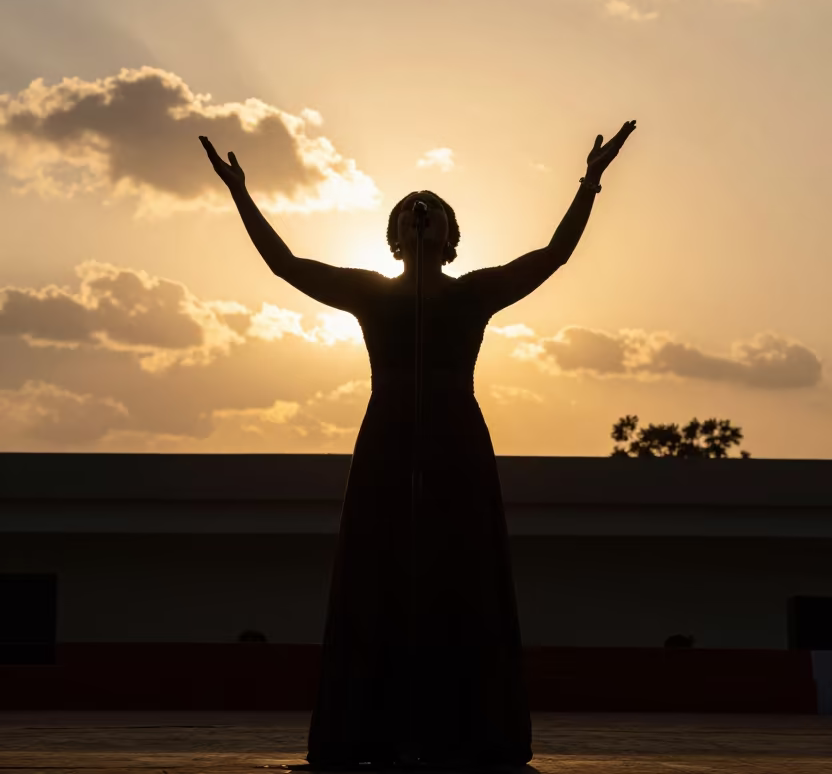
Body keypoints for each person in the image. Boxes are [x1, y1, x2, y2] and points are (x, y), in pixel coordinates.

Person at [200, 120, 636, 770]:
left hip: (456, 438)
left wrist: (589, 182)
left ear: (450, 237)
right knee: (379, 572)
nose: (419, 219)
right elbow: (285, 265)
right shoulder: (370, 295)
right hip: (387, 440)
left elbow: (553, 256)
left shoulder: (475, 295)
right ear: (395, 236)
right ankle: (368, 730)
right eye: (408, 213)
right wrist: (239, 192)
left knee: (461, 573)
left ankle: (469, 730)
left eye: (429, 215)